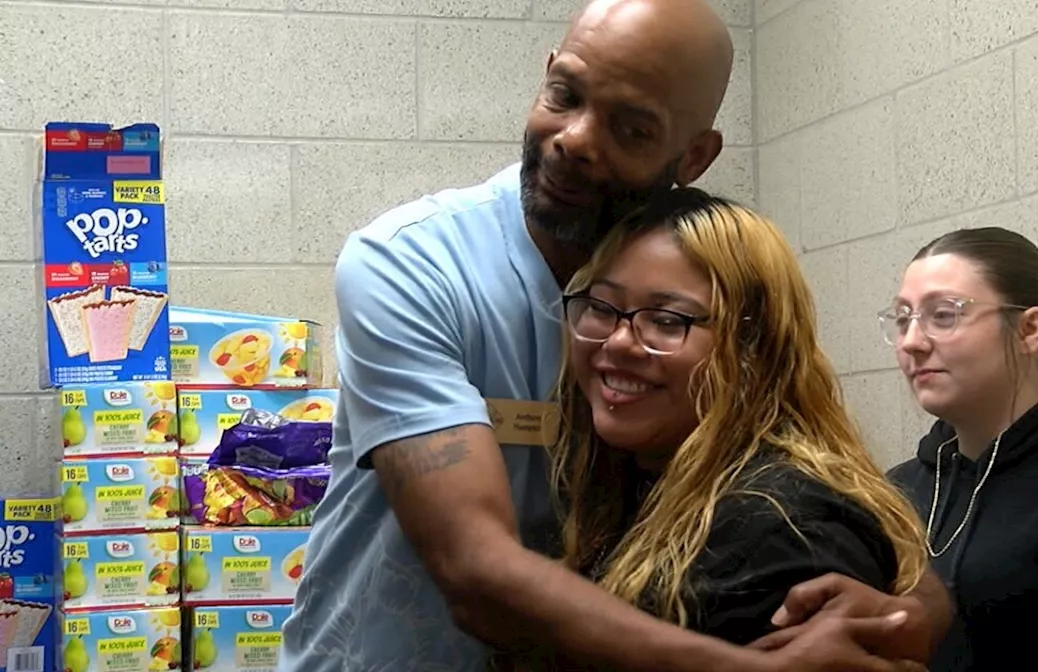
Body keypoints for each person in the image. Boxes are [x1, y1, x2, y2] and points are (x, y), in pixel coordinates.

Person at [278, 0, 952, 670]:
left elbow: (805, 448)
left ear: (693, 155)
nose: (574, 137)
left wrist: (916, 609)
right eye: (564, 94)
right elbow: (474, 569)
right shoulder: (411, 266)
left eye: (630, 128)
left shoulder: (690, 260)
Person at [508, 190, 932, 669]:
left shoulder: (784, 526)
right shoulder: (625, 482)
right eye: (602, 308)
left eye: (667, 320)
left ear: (752, 347)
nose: (619, 341)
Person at [882, 227, 1038, 671]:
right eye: (903, 319)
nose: (911, 342)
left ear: (1030, 329)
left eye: (943, 315)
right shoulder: (896, 492)